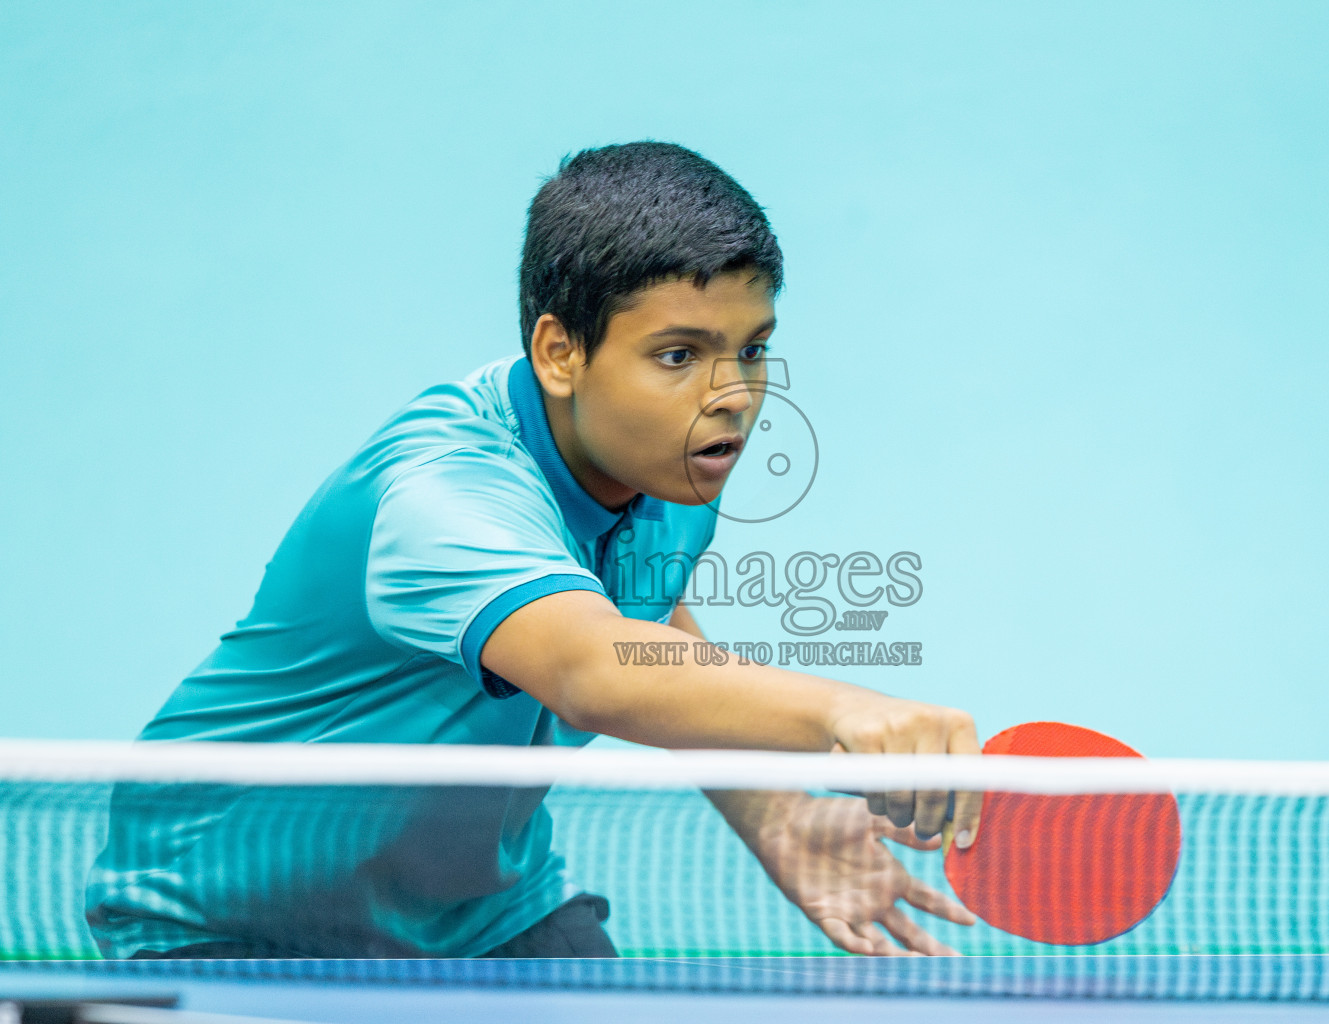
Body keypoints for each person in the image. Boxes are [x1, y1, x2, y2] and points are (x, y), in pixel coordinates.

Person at [86, 142, 983, 960]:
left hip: (480, 916)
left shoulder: (667, 473)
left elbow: (641, 622)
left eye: (752, 351)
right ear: (560, 351)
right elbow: (592, 668)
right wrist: (844, 709)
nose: (734, 396)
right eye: (678, 355)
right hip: (225, 922)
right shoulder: (440, 495)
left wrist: (772, 810)